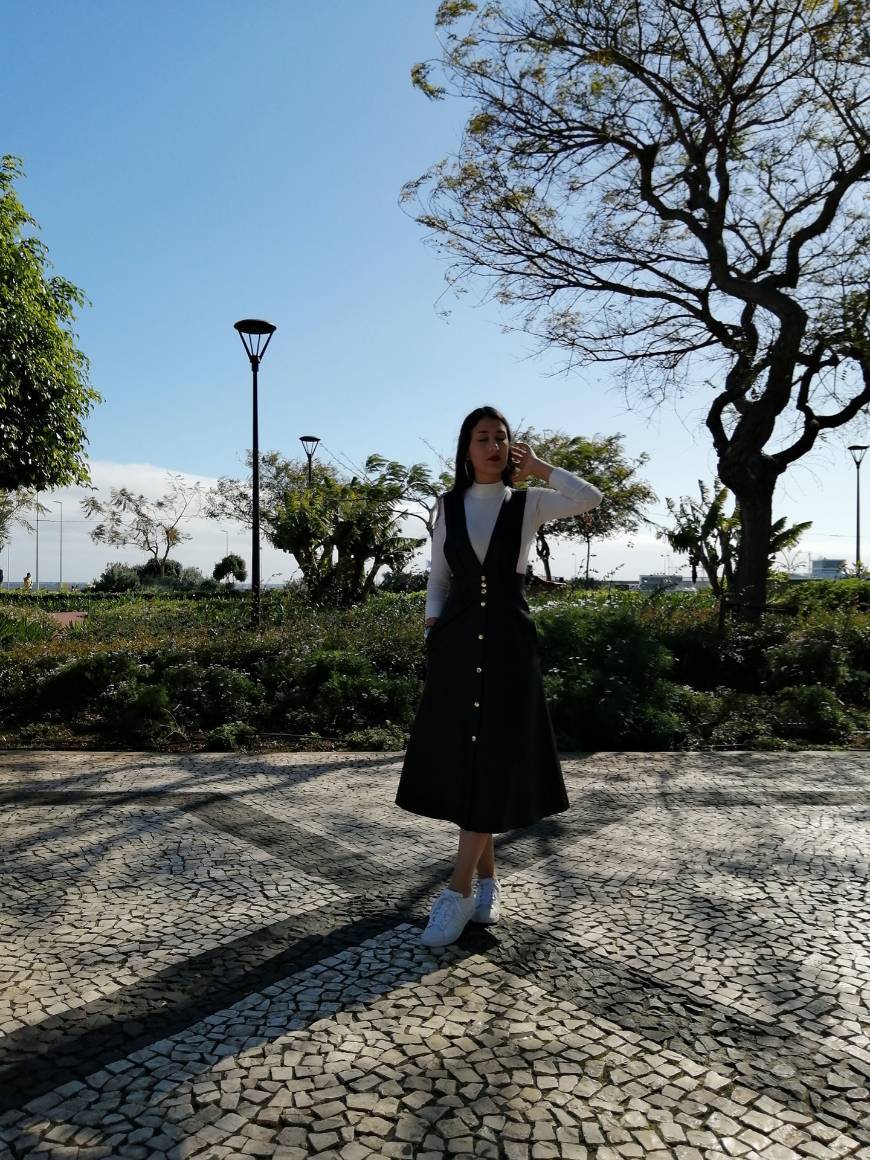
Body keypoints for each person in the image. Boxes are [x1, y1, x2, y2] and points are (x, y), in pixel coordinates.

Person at [396, 406, 603, 947]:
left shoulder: (528, 502)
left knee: (491, 755)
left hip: (510, 643)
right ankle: (487, 880)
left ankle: (457, 889)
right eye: (481, 437)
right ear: (465, 448)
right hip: (457, 641)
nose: (492, 445)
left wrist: (540, 468)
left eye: (500, 437)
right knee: (468, 756)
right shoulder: (447, 505)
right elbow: (438, 577)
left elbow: (590, 498)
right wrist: (432, 635)